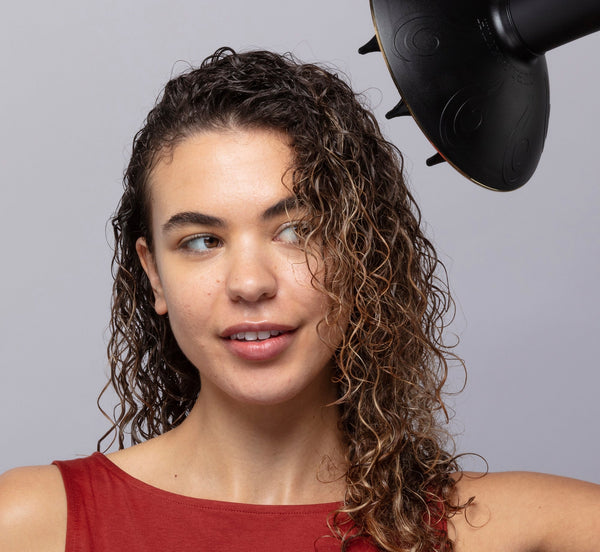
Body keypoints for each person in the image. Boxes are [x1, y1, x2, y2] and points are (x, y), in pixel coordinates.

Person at [0, 48, 598, 552]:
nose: (249, 283)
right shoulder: (33, 524)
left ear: (361, 251)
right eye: (202, 241)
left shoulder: (512, 531)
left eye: (296, 231)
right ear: (154, 275)